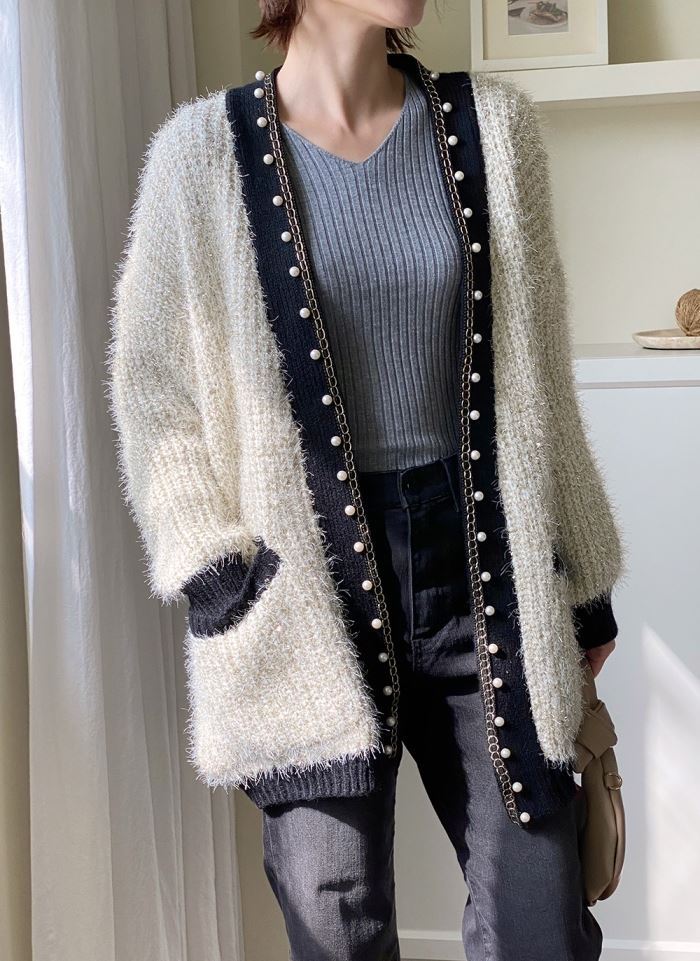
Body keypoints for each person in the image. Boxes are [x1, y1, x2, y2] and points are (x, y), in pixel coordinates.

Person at [107, 1, 626, 958]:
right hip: (303, 591)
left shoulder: (492, 130)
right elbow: (152, 388)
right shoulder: (200, 156)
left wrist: (582, 582)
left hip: (486, 570)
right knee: (335, 924)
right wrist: (218, 573)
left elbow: (539, 376)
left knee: (540, 922)